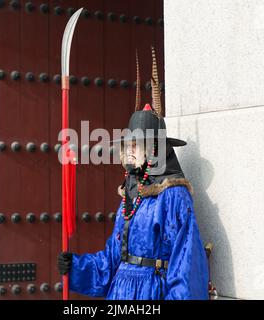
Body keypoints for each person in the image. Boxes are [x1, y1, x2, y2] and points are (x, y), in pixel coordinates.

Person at [57, 47, 209, 300]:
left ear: (155, 150)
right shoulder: (131, 193)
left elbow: (186, 264)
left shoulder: (173, 196)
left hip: (152, 292)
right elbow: (112, 258)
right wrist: (75, 268)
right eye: (127, 145)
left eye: (135, 145)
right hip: (121, 292)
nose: (128, 151)